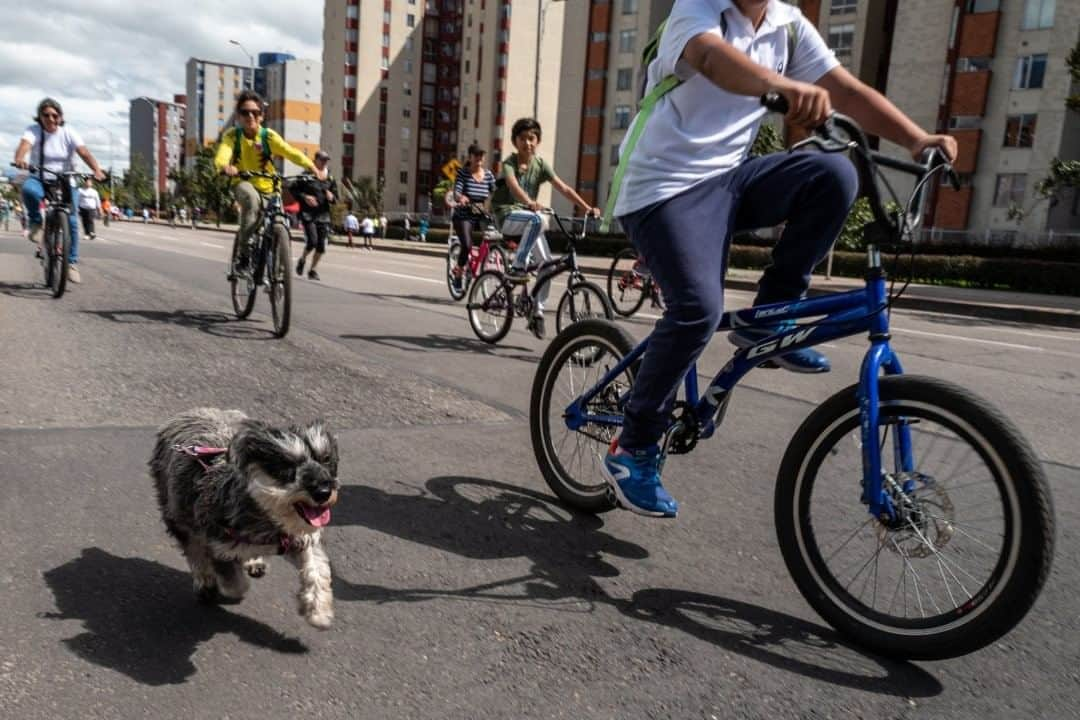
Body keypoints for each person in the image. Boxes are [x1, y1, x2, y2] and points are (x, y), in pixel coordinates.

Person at [601, 0, 958, 518]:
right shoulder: (699, 9)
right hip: (663, 188)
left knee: (835, 174)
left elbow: (847, 91)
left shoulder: (788, 25)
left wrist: (917, 140)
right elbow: (712, 60)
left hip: (729, 181)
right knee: (698, 309)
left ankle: (774, 313)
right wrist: (785, 88)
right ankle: (633, 446)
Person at [491, 117, 600, 339]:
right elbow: (513, 186)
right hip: (507, 216)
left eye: (531, 138)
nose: (527, 143)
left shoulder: (540, 165)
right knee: (539, 219)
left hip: (529, 220)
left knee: (548, 266)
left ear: (537, 141)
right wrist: (530, 202)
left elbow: (564, 188)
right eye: (522, 139)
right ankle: (518, 265)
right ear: (515, 142)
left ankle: (537, 312)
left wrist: (587, 207)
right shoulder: (509, 163)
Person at [214, 90, 325, 275]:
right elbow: (222, 154)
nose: (250, 116)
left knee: (280, 221)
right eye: (245, 112)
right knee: (250, 201)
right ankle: (244, 255)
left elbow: (291, 152)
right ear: (238, 116)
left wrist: (313, 168)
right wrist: (225, 166)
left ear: (261, 116)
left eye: (255, 112)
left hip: (270, 186)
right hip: (244, 182)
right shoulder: (232, 136)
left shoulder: (268, 137)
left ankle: (279, 270)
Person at [12, 97, 106, 284]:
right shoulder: (34, 130)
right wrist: (20, 158)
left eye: (55, 115)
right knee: (29, 190)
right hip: (40, 177)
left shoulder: (69, 133)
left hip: (65, 180)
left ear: (60, 117)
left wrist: (96, 169)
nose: (50, 118)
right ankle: (36, 223)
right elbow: (24, 146)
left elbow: (84, 152)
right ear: (40, 117)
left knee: (71, 221)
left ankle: (71, 263)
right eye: (46, 115)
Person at [450, 143, 497, 292]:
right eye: (476, 155)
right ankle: (458, 274)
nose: (479, 158)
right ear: (470, 157)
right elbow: (456, 191)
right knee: (467, 245)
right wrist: (461, 197)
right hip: (463, 215)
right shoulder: (463, 173)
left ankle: (481, 263)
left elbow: (496, 191)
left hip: (480, 213)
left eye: (481, 156)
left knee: (495, 236)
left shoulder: (488, 175)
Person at [290, 150, 337, 281]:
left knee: (321, 247)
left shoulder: (330, 178)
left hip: (323, 215)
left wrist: (332, 197)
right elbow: (293, 189)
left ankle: (312, 270)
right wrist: (305, 197)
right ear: (315, 160)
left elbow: (335, 197)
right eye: (322, 160)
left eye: (326, 160)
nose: (324, 163)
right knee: (312, 241)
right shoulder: (306, 175)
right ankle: (302, 259)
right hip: (308, 214)